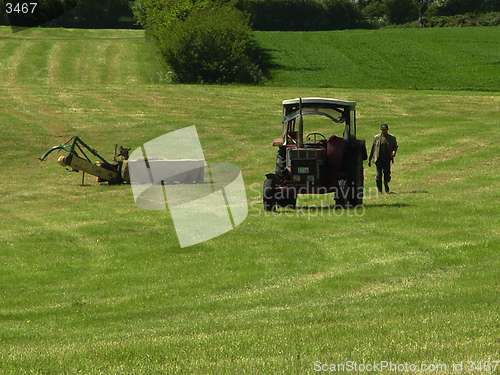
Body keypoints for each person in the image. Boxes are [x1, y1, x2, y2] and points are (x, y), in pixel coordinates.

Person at [368, 124, 398, 193]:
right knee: (378, 176)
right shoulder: (376, 138)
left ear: (387, 130)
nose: (383, 131)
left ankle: (385, 183)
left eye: (385, 130)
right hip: (378, 159)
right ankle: (379, 190)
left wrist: (393, 152)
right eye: (382, 130)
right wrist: (369, 160)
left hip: (386, 159)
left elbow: (395, 146)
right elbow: (373, 148)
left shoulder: (391, 138)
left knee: (387, 174)